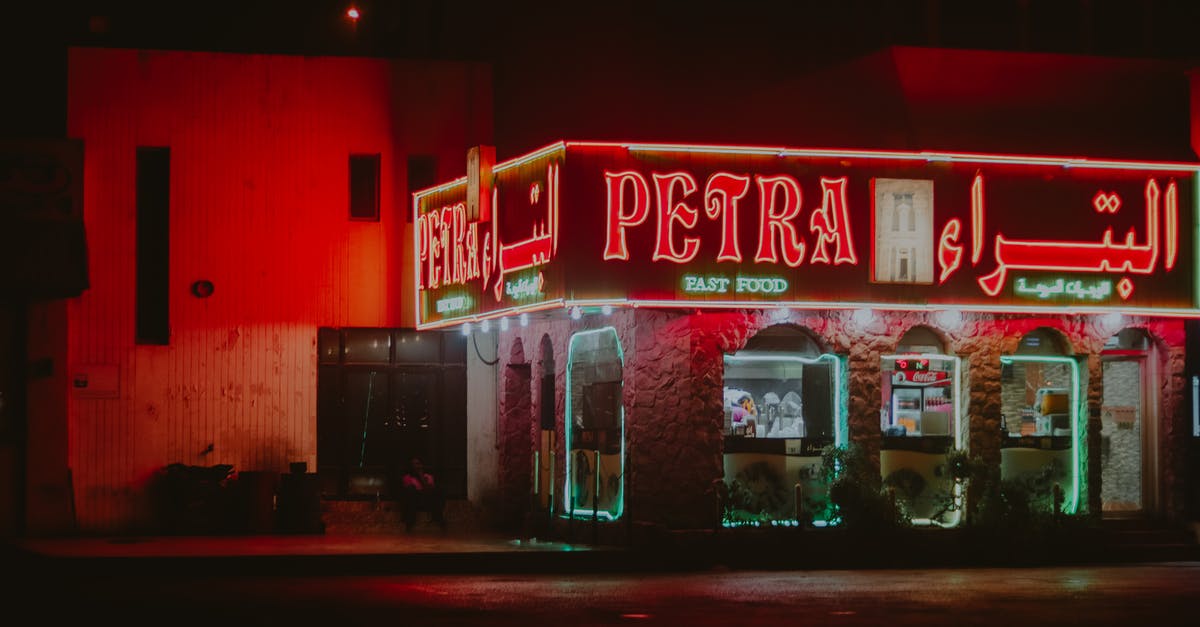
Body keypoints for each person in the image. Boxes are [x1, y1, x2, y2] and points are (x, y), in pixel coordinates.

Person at [399, 457, 446, 532]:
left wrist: (421, 476)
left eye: (418, 464)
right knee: (410, 490)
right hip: (414, 501)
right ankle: (409, 523)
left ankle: (440, 521)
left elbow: (430, 490)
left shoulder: (428, 477)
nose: (416, 466)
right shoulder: (407, 477)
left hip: (427, 500)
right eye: (413, 464)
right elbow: (408, 492)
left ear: (422, 465)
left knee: (437, 490)